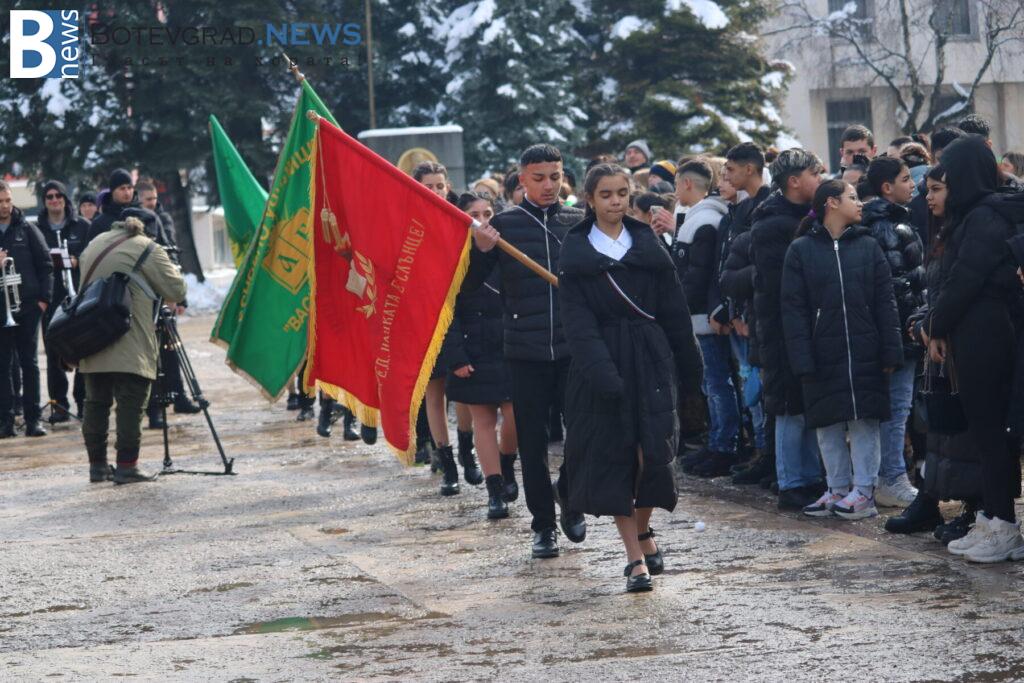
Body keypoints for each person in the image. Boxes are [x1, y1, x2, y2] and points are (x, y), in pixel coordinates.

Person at [558, 163, 702, 592]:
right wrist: (602, 372)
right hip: (603, 363)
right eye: (606, 194)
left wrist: (690, 366)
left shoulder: (647, 243)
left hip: (651, 359)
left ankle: (642, 528)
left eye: (622, 193)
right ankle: (634, 559)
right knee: (618, 456)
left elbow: (674, 311)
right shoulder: (577, 249)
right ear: (590, 199)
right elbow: (577, 322)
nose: (616, 201)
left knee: (652, 456)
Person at [468, 143, 587, 559]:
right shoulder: (504, 226)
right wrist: (480, 251)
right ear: (522, 180)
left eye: (555, 177)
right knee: (532, 443)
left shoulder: (578, 221)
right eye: (539, 178)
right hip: (524, 351)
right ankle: (543, 526)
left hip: (574, 349)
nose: (548, 185)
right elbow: (470, 285)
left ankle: (569, 494)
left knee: (584, 434)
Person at [920, 137, 1024, 563]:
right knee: (983, 431)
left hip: (989, 332)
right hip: (974, 330)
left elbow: (966, 279)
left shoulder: (985, 216)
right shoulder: (973, 215)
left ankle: (1004, 525)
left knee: (991, 431)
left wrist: (933, 324)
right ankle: (992, 516)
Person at [782, 180, 902, 520]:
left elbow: (886, 302)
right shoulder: (801, 250)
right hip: (823, 352)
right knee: (827, 422)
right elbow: (793, 310)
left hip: (866, 350)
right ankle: (836, 488)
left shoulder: (868, 246)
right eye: (852, 197)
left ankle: (864, 491)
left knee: (865, 421)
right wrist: (802, 358)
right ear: (831, 203)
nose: (860, 203)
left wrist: (891, 350)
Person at [78, 214, 186, 483]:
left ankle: (97, 467)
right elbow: (177, 290)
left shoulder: (94, 244)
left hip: (92, 336)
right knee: (131, 402)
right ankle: (127, 466)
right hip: (130, 338)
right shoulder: (148, 247)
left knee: (95, 402)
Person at [751, 149, 826, 510]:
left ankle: (811, 477)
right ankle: (791, 481)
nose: (821, 180)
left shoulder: (809, 216)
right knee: (787, 405)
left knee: (807, 403)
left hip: (807, 326)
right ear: (794, 181)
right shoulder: (771, 223)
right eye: (815, 174)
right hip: (782, 327)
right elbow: (781, 281)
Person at [654, 159, 736, 477]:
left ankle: (724, 444)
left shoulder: (706, 219)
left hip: (704, 315)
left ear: (687, 183)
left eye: (677, 184)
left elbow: (698, 275)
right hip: (696, 315)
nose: (675, 191)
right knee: (710, 383)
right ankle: (716, 441)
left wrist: (678, 307)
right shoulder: (695, 217)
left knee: (717, 382)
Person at [444, 192, 519, 518]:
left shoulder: (508, 251)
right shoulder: (452, 257)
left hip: (509, 347)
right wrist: (456, 356)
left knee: (515, 416)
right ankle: (494, 491)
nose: (482, 220)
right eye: (474, 214)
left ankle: (507, 463)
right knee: (484, 421)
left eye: (488, 213)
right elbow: (446, 313)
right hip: (472, 348)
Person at [412, 161, 481, 494]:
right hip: (426, 315)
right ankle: (447, 462)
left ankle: (467, 450)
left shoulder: (461, 219)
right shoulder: (409, 224)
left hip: (462, 314)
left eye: (440, 185)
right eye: (429, 186)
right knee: (434, 392)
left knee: (464, 389)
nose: (436, 191)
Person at [861, 157, 925, 508]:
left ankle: (889, 475)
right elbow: (896, 286)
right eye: (904, 179)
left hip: (903, 331)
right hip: (899, 333)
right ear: (887, 188)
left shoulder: (898, 221)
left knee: (898, 407)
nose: (912, 184)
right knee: (896, 408)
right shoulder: (886, 227)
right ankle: (891, 477)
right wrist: (912, 325)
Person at [720, 142, 774, 486]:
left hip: (763, 309)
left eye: (731, 169)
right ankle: (764, 453)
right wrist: (735, 311)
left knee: (766, 390)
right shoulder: (744, 207)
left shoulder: (767, 204)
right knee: (754, 388)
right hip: (747, 309)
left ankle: (771, 456)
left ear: (750, 169)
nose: (726, 176)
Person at [0, 181, 53, 438]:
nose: (5, 206)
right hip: (1, 311)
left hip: (28, 308)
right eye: (0, 202)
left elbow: (46, 266)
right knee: (2, 367)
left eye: (8, 200)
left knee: (29, 364)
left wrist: (43, 300)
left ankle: (34, 420)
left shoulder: (27, 229)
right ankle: (5, 421)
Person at [36, 180, 89, 422]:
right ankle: (58, 405)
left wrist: (78, 261)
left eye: (58, 196)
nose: (54, 200)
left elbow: (93, 255)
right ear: (44, 201)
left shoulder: (83, 226)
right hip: (51, 297)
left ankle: (84, 401)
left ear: (65, 199)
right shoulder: (36, 230)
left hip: (80, 297)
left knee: (84, 351)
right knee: (54, 352)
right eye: (49, 196)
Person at [87, 168, 137, 242]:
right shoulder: (99, 223)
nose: (127, 193)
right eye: (122, 188)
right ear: (112, 191)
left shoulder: (144, 216)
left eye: (129, 188)